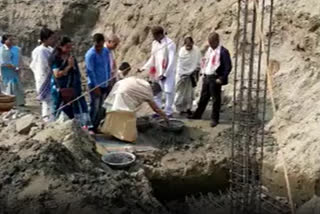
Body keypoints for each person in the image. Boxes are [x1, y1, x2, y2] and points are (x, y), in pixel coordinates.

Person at [189, 32, 232, 127]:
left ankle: (214, 119)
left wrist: (222, 78)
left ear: (217, 41)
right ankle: (197, 114)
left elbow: (228, 67)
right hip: (207, 76)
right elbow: (206, 61)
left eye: (212, 43)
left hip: (215, 77)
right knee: (203, 97)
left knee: (216, 99)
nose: (211, 45)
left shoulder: (223, 52)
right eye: (210, 43)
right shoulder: (210, 50)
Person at [50, 36, 92, 128]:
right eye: (67, 47)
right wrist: (69, 66)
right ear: (60, 47)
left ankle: (81, 128)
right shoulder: (56, 58)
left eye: (71, 46)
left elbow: (75, 71)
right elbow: (57, 74)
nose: (70, 49)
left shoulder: (70, 57)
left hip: (73, 88)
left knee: (78, 107)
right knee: (60, 108)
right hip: (60, 89)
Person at [139, 26, 176, 117]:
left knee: (168, 92)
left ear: (160, 34)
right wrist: (144, 67)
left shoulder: (170, 44)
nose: (153, 37)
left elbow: (171, 61)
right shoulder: (155, 43)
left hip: (167, 72)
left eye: (154, 35)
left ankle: (168, 111)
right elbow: (153, 57)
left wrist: (165, 74)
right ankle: (158, 111)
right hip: (157, 71)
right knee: (157, 92)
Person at [104, 76, 168, 121]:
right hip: (124, 94)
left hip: (118, 87)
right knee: (122, 115)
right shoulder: (148, 92)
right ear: (154, 91)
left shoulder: (143, 82)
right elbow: (156, 108)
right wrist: (165, 116)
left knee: (112, 111)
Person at [85, 33, 111, 132]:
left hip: (105, 83)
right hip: (94, 84)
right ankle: (90, 127)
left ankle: (95, 126)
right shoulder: (90, 54)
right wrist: (96, 86)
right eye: (97, 46)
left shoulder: (105, 51)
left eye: (100, 46)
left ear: (103, 43)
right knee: (94, 106)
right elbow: (90, 71)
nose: (98, 48)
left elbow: (108, 67)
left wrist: (108, 81)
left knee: (101, 107)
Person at [30, 27, 56, 122]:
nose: (53, 40)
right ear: (45, 39)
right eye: (51, 38)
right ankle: (48, 121)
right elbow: (44, 66)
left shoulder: (48, 49)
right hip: (44, 78)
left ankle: (50, 119)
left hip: (47, 78)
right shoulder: (41, 51)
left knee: (51, 101)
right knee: (48, 102)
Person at [174, 36, 201, 116]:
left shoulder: (196, 50)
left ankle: (188, 108)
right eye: (187, 45)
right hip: (181, 75)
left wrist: (194, 71)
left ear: (192, 43)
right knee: (180, 92)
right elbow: (180, 64)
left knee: (190, 93)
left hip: (191, 76)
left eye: (190, 45)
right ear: (185, 45)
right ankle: (180, 109)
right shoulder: (182, 51)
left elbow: (198, 63)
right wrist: (182, 74)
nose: (189, 47)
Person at [0, 34, 25, 106]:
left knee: (17, 86)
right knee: (8, 86)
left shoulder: (16, 49)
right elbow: (3, 62)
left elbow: (19, 59)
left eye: (12, 40)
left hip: (15, 70)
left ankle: (19, 102)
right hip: (6, 71)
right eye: (9, 40)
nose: (11, 41)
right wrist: (12, 66)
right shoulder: (2, 50)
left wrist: (20, 67)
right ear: (5, 41)